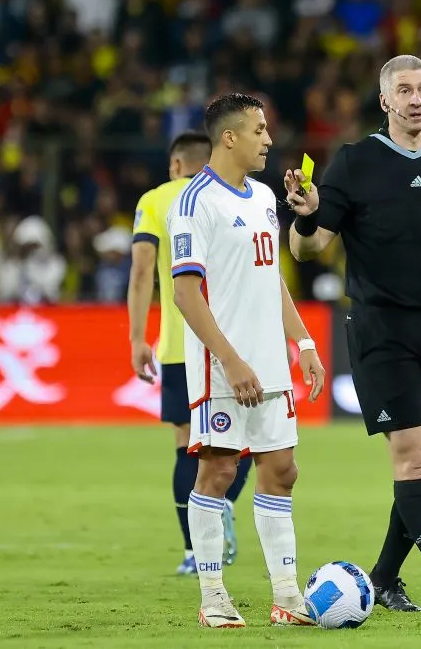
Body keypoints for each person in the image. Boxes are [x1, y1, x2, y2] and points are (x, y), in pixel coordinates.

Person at [285, 54, 421, 616]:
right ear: (385, 101)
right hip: (382, 329)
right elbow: (309, 247)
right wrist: (305, 215)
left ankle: (384, 578)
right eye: (405, 91)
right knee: (413, 459)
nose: (417, 99)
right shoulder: (357, 161)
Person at [167, 94, 325, 628]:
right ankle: (213, 595)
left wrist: (302, 343)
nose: (269, 140)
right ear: (228, 137)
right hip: (222, 365)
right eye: (260, 130)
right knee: (217, 471)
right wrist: (231, 361)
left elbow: (269, 276)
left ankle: (287, 595)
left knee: (282, 471)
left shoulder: (261, 196)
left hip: (270, 363)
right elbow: (186, 294)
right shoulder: (193, 203)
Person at [127, 131, 253, 576]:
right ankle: (222, 505)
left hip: (182, 344)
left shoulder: (157, 200)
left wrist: (137, 337)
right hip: (237, 340)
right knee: (251, 440)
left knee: (188, 446)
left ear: (175, 165)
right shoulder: (234, 192)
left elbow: (143, 270)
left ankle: (193, 551)